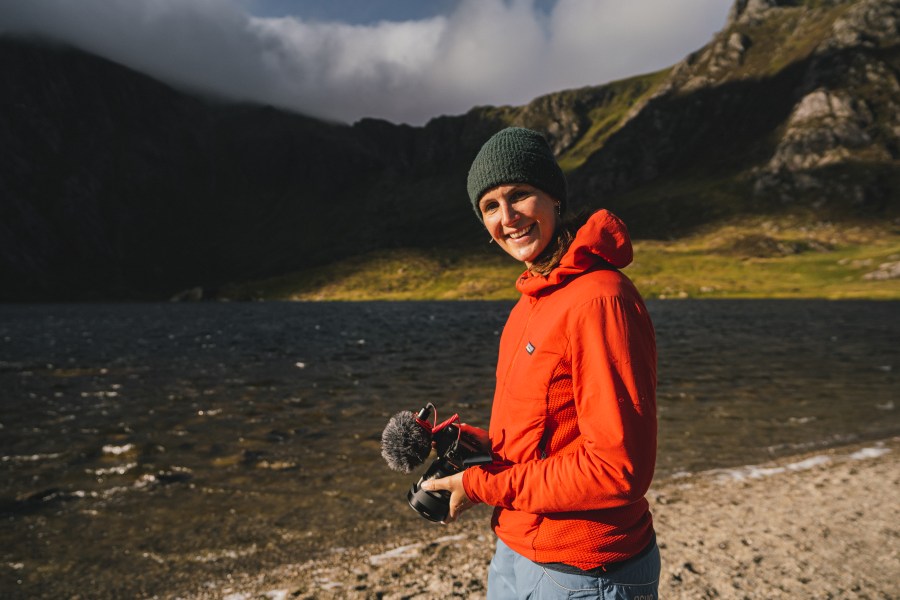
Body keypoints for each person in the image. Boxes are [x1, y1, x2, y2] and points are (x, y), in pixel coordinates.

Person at [422, 127, 659, 599]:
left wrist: (481, 486)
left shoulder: (599, 299)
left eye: (520, 195)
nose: (507, 217)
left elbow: (616, 469)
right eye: (490, 206)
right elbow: (549, 436)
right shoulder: (530, 304)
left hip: (583, 569)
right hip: (517, 545)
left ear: (553, 199)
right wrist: (467, 446)